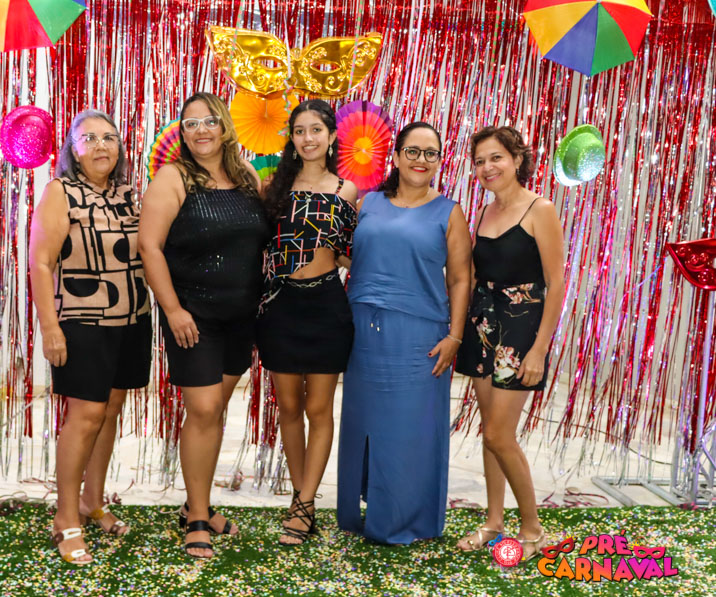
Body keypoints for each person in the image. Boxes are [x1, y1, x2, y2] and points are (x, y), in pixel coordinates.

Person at [138, 92, 269, 559]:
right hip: (193, 318)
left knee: (214, 413)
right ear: (182, 132)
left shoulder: (246, 175)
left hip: (242, 316)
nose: (200, 130)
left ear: (225, 126)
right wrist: (173, 310)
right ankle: (197, 517)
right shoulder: (172, 178)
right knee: (205, 409)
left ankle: (198, 503)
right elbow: (149, 247)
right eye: (190, 123)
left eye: (209, 120)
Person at [336, 122, 472, 544]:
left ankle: (407, 518)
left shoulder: (449, 212)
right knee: (365, 423)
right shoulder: (368, 203)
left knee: (411, 428)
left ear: (439, 161)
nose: (420, 160)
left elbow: (461, 279)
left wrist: (455, 336)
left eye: (431, 153)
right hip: (363, 334)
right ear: (395, 157)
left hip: (420, 336)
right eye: (412, 151)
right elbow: (347, 254)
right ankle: (367, 507)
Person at [29, 110, 151, 566]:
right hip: (83, 320)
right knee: (85, 415)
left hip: (132, 319)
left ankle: (91, 501)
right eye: (89, 138)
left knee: (110, 410)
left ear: (119, 147)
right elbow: (41, 262)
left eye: (109, 137)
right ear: (73, 150)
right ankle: (65, 516)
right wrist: (50, 327)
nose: (101, 145)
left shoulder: (128, 194)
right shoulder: (60, 192)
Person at [454, 126, 565, 559]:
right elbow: (472, 276)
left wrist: (539, 349)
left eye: (496, 157)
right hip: (483, 325)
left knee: (501, 434)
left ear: (517, 159)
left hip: (521, 332)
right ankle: (494, 521)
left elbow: (555, 284)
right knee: (490, 432)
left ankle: (532, 528)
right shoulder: (483, 212)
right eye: (480, 161)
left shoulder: (541, 209)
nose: (487, 167)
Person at [257, 99, 359, 545]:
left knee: (319, 409)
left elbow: (348, 253)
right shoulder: (272, 187)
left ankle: (304, 503)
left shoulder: (346, 190)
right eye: (299, 131)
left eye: (316, 129)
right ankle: (303, 501)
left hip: (326, 306)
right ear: (292, 138)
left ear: (332, 136)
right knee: (289, 408)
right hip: (280, 305)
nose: (308, 138)